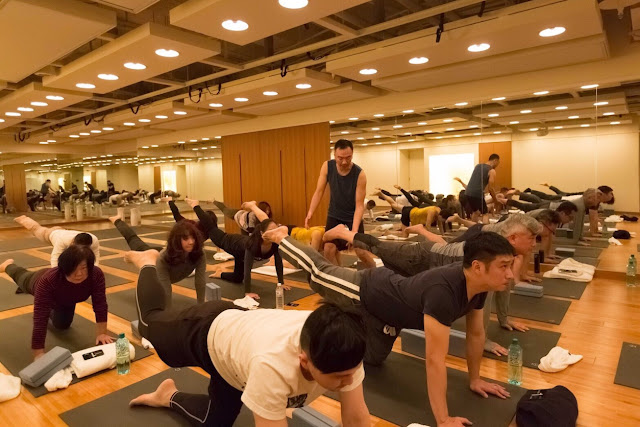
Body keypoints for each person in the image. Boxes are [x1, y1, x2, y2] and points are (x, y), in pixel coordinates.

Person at [264, 228, 514, 425]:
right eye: (504, 266)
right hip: (367, 290)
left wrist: (475, 379)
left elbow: (476, 334)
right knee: (320, 273)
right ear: (477, 267)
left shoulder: (479, 287)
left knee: (372, 360)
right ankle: (283, 238)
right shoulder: (443, 293)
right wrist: (443, 420)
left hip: (387, 319)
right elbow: (435, 360)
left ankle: (342, 312)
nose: (510, 274)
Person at [126, 245, 370, 426]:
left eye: (351, 373)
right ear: (304, 361)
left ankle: (166, 395)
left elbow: (357, 420)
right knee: (149, 322)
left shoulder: (345, 346)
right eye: (340, 377)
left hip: (240, 354)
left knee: (215, 423)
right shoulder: (272, 367)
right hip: (205, 329)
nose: (349, 381)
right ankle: (147, 262)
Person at [0, 245, 111, 360]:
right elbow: (40, 317)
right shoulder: (48, 281)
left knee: (62, 325)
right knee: (21, 276)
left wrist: (102, 333)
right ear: (64, 268)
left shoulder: (96, 275)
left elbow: (100, 304)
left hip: (66, 299)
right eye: (73, 268)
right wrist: (38, 353)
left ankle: (51, 306)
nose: (79, 274)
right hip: (36, 280)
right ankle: (8, 265)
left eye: (83, 268)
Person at [186, 198, 285, 300]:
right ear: (262, 233)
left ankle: (220, 274)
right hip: (226, 241)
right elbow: (247, 269)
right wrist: (248, 292)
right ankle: (195, 205)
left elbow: (278, 262)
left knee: (238, 278)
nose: (275, 233)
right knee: (211, 228)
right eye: (271, 230)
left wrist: (281, 283)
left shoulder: (274, 244)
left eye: (276, 229)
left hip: (240, 252)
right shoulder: (253, 245)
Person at [304, 139, 375, 268]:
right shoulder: (327, 166)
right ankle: (338, 277)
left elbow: (359, 206)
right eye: (340, 158)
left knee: (360, 251)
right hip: (334, 215)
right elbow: (319, 191)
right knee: (328, 248)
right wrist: (310, 212)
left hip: (352, 217)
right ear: (334, 155)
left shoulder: (360, 174)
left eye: (348, 158)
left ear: (352, 154)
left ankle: (377, 273)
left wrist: (353, 232)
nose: (344, 162)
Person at [109, 215, 207, 304]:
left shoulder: (199, 254)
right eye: (186, 239)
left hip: (167, 253)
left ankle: (145, 252)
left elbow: (200, 282)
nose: (191, 242)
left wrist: (201, 305)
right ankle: (133, 253)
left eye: (193, 238)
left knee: (144, 246)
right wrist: (167, 313)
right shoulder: (163, 259)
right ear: (177, 240)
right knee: (133, 240)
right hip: (154, 260)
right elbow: (166, 289)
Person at [14, 215, 100, 266]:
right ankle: (23, 219)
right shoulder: (62, 241)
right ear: (73, 242)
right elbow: (55, 258)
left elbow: (96, 255)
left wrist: (95, 270)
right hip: (49, 234)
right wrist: (55, 276)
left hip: (62, 231)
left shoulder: (94, 240)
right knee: (36, 229)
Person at [372, 187, 441, 232]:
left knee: (393, 203)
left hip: (411, 209)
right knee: (404, 234)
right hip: (409, 212)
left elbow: (416, 198)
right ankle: (388, 232)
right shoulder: (432, 210)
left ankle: (381, 194)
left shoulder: (432, 207)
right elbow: (428, 226)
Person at [464, 154, 500, 222]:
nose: (497, 165)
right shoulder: (491, 171)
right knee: (485, 213)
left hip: (468, 192)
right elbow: (490, 188)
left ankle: (474, 227)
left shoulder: (478, 166)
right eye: (498, 163)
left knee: (476, 212)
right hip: (477, 193)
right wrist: (495, 201)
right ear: (495, 160)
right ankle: (485, 228)